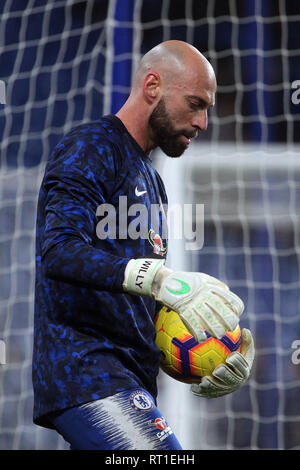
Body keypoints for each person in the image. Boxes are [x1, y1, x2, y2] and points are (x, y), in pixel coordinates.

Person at [32, 40, 255, 450]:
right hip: (88, 374)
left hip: (130, 378)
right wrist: (157, 277)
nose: (203, 122)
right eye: (195, 103)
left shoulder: (152, 180)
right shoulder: (90, 148)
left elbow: (141, 304)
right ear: (152, 85)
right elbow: (58, 250)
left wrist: (214, 349)